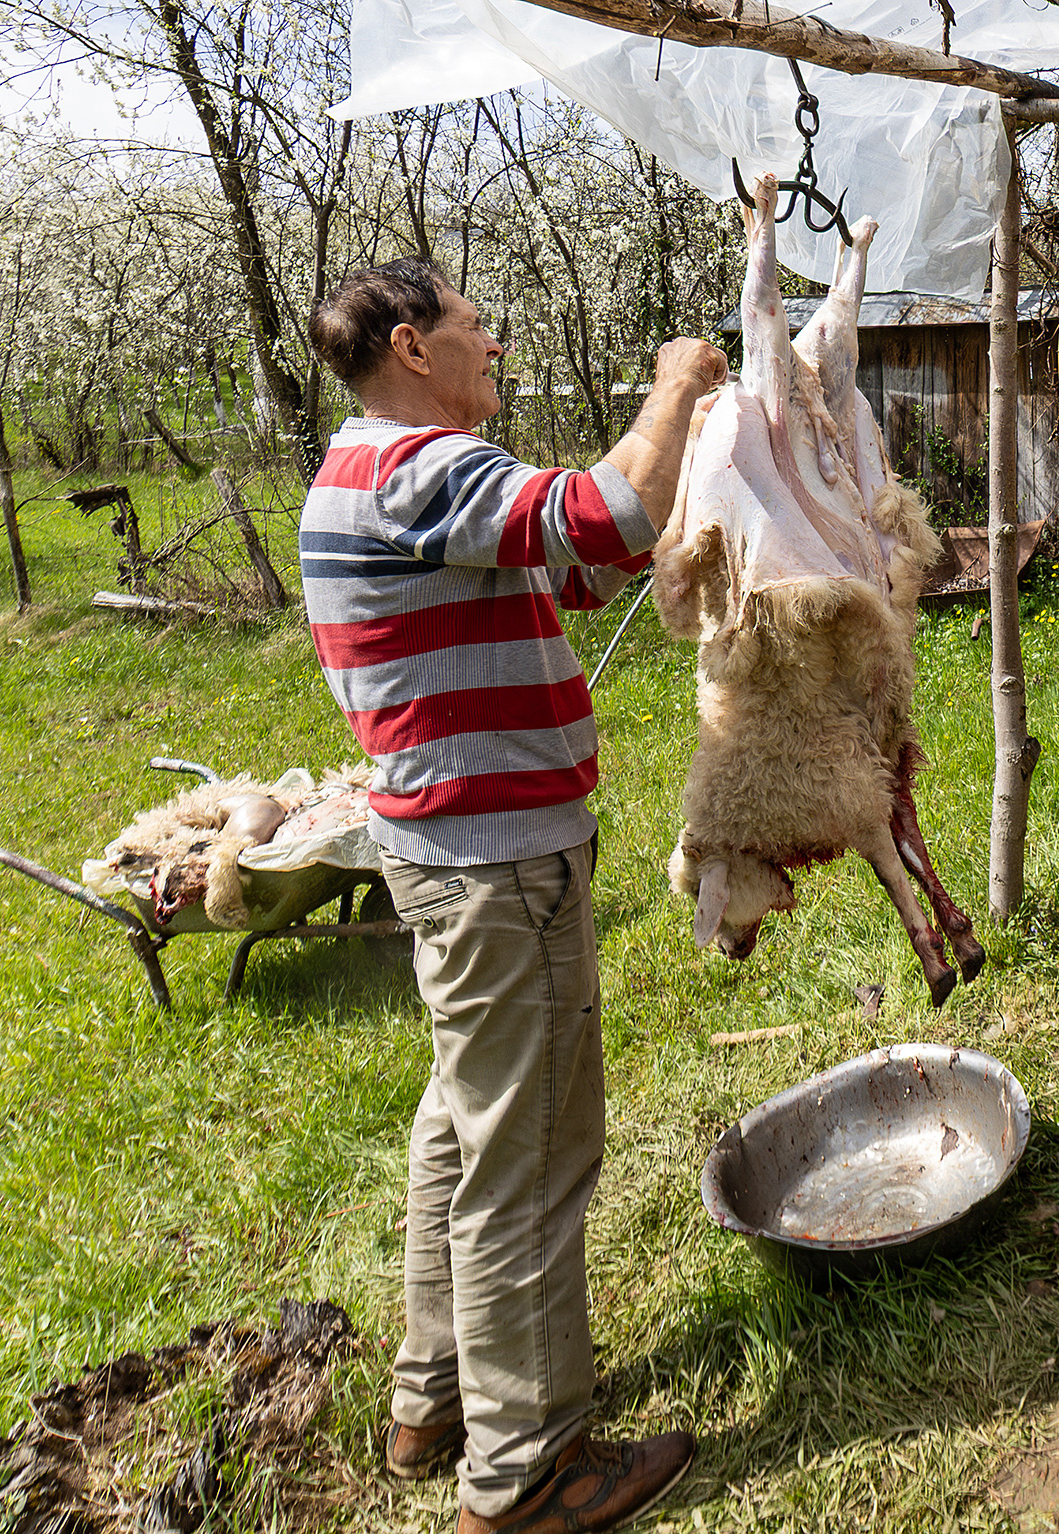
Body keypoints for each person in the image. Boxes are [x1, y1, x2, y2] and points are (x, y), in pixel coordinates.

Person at [300, 258, 725, 1534]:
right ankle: (527, 1472)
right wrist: (674, 386)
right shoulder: (412, 465)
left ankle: (433, 1399)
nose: (494, 347)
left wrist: (655, 503)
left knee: (465, 1126)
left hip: (452, 857)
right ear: (410, 346)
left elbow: (576, 560)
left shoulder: (374, 475)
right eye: (475, 327)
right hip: (497, 868)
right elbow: (598, 515)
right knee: (529, 1159)